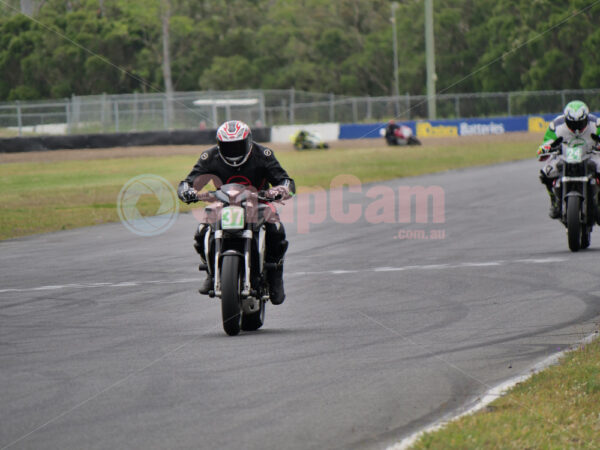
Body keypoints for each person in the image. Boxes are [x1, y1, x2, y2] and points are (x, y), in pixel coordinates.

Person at [177, 120, 295, 305]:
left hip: (260, 201)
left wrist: (279, 190)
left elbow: (286, 180)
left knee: (276, 228)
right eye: (228, 146)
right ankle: (210, 270)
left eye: (238, 145)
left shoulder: (263, 154)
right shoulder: (209, 156)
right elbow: (189, 181)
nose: (233, 150)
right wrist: (187, 191)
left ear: (248, 142)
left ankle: (275, 276)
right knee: (201, 230)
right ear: (219, 144)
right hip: (224, 202)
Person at [537, 100, 600, 218]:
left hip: (590, 154)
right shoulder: (556, 125)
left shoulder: (596, 123)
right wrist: (546, 148)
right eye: (572, 123)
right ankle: (554, 201)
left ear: (586, 118)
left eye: (580, 123)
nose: (576, 128)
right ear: (566, 119)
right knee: (546, 172)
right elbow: (547, 142)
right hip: (564, 156)